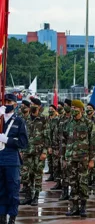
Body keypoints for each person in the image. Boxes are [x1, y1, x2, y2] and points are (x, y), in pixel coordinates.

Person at [0, 94, 28, 224]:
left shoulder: (19, 121)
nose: (6, 103)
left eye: (9, 101)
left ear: (15, 104)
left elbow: (23, 143)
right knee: (1, 190)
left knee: (13, 190)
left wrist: (8, 140)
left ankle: (12, 216)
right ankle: (1, 215)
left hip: (11, 160)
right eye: (4, 101)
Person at [64, 100, 95, 217]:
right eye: (72, 107)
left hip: (84, 159)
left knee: (83, 183)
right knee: (73, 183)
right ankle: (74, 207)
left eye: (75, 107)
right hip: (71, 158)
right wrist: (65, 157)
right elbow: (65, 140)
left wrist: (92, 159)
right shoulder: (68, 123)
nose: (73, 109)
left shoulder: (88, 123)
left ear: (81, 109)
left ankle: (83, 207)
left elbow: (93, 143)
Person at [20, 97, 49, 207]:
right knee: (25, 174)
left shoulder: (44, 119)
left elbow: (47, 137)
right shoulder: (26, 119)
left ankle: (36, 197)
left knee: (37, 175)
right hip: (27, 151)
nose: (31, 105)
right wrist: (21, 150)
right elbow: (22, 136)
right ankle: (28, 196)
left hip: (38, 152)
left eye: (34, 104)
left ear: (39, 106)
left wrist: (44, 152)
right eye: (31, 104)